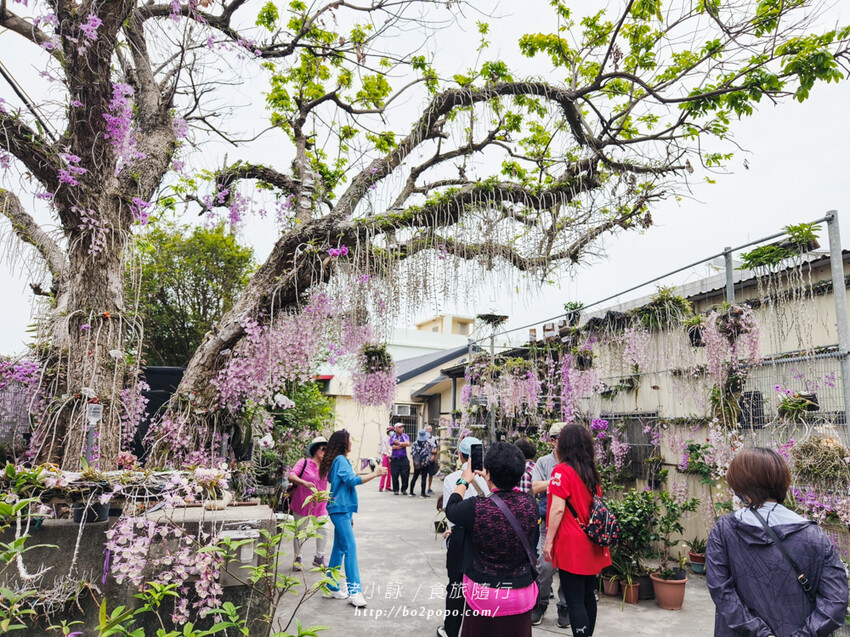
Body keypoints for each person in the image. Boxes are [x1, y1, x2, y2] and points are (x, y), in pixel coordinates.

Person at [706, 447, 848, 637]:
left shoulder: (725, 529)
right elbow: (836, 601)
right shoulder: (815, 535)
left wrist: (760, 633)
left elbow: (721, 591)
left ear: (740, 485)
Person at [445, 441, 538, 637]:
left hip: (484, 596)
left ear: (487, 472)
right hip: (520, 593)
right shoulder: (530, 504)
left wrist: (464, 480)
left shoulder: (476, 507)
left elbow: (452, 508)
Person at [543, 424, 611, 637]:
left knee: (573, 599)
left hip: (571, 543)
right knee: (588, 596)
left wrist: (548, 541)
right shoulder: (591, 471)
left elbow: (557, 510)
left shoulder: (561, 471)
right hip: (592, 540)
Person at [319, 429, 387, 608]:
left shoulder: (338, 460)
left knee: (340, 548)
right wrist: (376, 474)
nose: (351, 443)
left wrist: (349, 515)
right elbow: (351, 480)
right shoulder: (341, 460)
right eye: (349, 440)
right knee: (350, 547)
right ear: (344, 443)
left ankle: (331, 585)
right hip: (339, 510)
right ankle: (354, 591)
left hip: (342, 510)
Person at [437, 436, 490, 637]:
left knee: (456, 587)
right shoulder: (488, 477)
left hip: (460, 537)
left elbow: (451, 512)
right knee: (482, 584)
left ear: (460, 456)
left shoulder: (452, 479)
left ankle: (450, 630)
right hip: (484, 537)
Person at [530, 421, 569, 628]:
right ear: (552, 441)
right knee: (545, 566)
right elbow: (534, 487)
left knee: (569, 568)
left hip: (571, 523)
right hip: (547, 522)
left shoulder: (577, 462)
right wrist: (556, 480)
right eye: (562, 439)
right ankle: (541, 603)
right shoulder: (543, 463)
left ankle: (565, 606)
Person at [287, 436, 330, 571]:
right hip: (302, 504)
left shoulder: (326, 467)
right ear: (316, 450)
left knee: (324, 530)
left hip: (320, 505)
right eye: (323, 449)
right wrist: (303, 482)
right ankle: (297, 559)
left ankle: (319, 557)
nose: (325, 452)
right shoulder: (304, 462)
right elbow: (291, 475)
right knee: (300, 532)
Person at [410, 429, 435, 498]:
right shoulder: (428, 444)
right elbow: (434, 447)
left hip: (417, 463)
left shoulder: (414, 443)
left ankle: (411, 492)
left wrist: (417, 460)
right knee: (424, 478)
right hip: (425, 462)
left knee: (415, 477)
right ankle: (422, 493)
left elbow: (412, 453)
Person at [389, 421, 411, 495]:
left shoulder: (405, 436)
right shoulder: (393, 436)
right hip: (395, 459)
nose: (402, 428)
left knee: (405, 475)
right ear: (396, 429)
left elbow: (408, 443)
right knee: (395, 475)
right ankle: (396, 489)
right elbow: (393, 447)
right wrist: (402, 445)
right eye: (400, 427)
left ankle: (404, 489)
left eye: (402, 427)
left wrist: (399, 443)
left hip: (403, 458)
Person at [378, 424, 393, 492]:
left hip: (391, 456)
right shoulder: (384, 439)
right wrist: (388, 455)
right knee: (384, 471)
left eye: (392, 431)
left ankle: (388, 486)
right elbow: (384, 448)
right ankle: (381, 486)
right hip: (385, 456)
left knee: (390, 472)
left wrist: (391, 455)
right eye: (390, 431)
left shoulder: (393, 439)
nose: (392, 432)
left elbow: (393, 448)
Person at [426, 423, 440, 494]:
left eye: (429, 430)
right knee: (424, 474)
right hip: (425, 459)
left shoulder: (434, 439)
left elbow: (435, 450)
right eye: (427, 430)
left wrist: (433, 456)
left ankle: (429, 487)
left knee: (431, 474)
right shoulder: (423, 438)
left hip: (431, 459)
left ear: (431, 431)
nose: (428, 431)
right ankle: (423, 488)